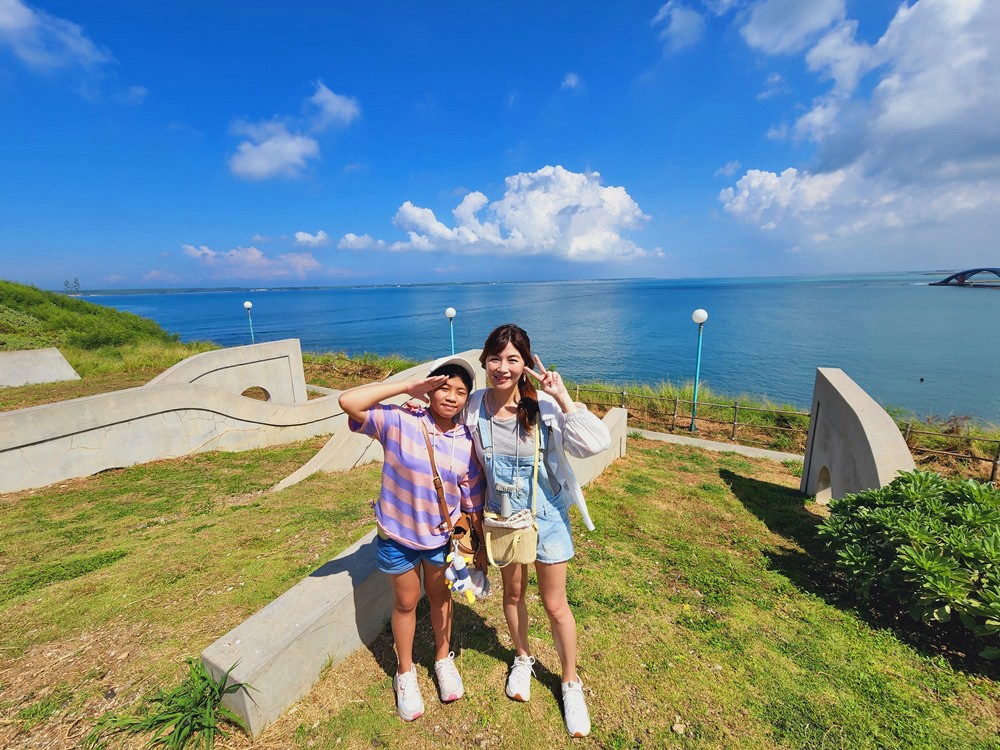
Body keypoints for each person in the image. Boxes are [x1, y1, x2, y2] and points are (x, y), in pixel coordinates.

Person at [462, 324, 610, 738]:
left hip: (547, 517)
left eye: (513, 359)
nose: (503, 368)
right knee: (512, 594)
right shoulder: (474, 407)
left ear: (526, 364)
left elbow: (596, 442)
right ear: (484, 362)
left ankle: (569, 681)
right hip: (502, 516)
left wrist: (562, 395)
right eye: (495, 358)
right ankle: (523, 657)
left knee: (555, 604)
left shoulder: (543, 406)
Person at [338, 356, 485, 722]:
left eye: (461, 392)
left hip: (440, 540)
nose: (451, 397)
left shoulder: (466, 441)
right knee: (405, 604)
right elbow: (348, 403)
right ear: (430, 387)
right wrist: (407, 388)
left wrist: (477, 545)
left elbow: (471, 499)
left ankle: (442, 658)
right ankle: (405, 673)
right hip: (398, 535)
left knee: (440, 599)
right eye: (444, 387)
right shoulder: (400, 420)